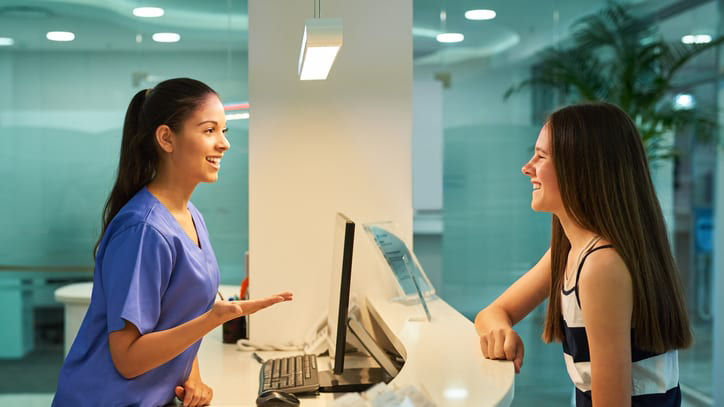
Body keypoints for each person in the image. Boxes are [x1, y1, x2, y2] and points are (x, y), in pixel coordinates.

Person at [52, 78, 292, 407]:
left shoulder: (190, 215)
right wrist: (213, 319)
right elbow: (127, 358)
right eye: (209, 131)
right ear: (166, 138)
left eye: (225, 131)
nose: (224, 144)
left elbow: (176, 314)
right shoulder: (144, 230)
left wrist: (192, 377)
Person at [474, 102, 691, 406]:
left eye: (541, 156)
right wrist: (500, 331)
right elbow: (492, 313)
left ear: (580, 168)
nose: (527, 167)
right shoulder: (570, 251)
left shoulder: (601, 264)